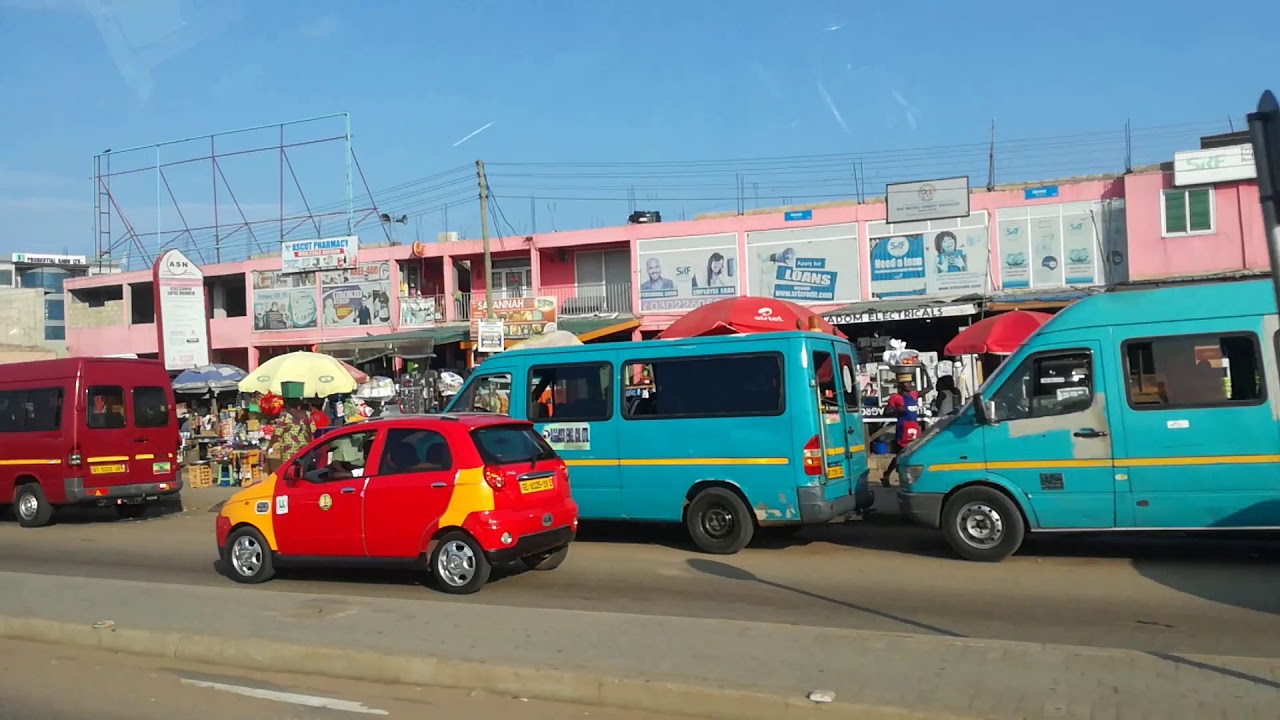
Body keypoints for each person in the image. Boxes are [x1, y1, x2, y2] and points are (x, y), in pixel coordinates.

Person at [881, 376, 921, 487]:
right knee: (901, 453)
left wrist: (924, 370)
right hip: (903, 428)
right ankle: (888, 474)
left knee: (913, 452)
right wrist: (896, 410)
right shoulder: (895, 397)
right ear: (903, 385)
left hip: (914, 427)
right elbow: (886, 412)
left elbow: (929, 388)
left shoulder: (913, 395)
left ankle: (906, 476)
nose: (910, 385)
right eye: (908, 383)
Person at [268, 399, 313, 474]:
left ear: (287, 406)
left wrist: (269, 446)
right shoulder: (308, 415)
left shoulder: (285, 416)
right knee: (303, 470)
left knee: (289, 470)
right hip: (304, 447)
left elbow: (277, 434)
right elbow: (312, 431)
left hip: (288, 449)